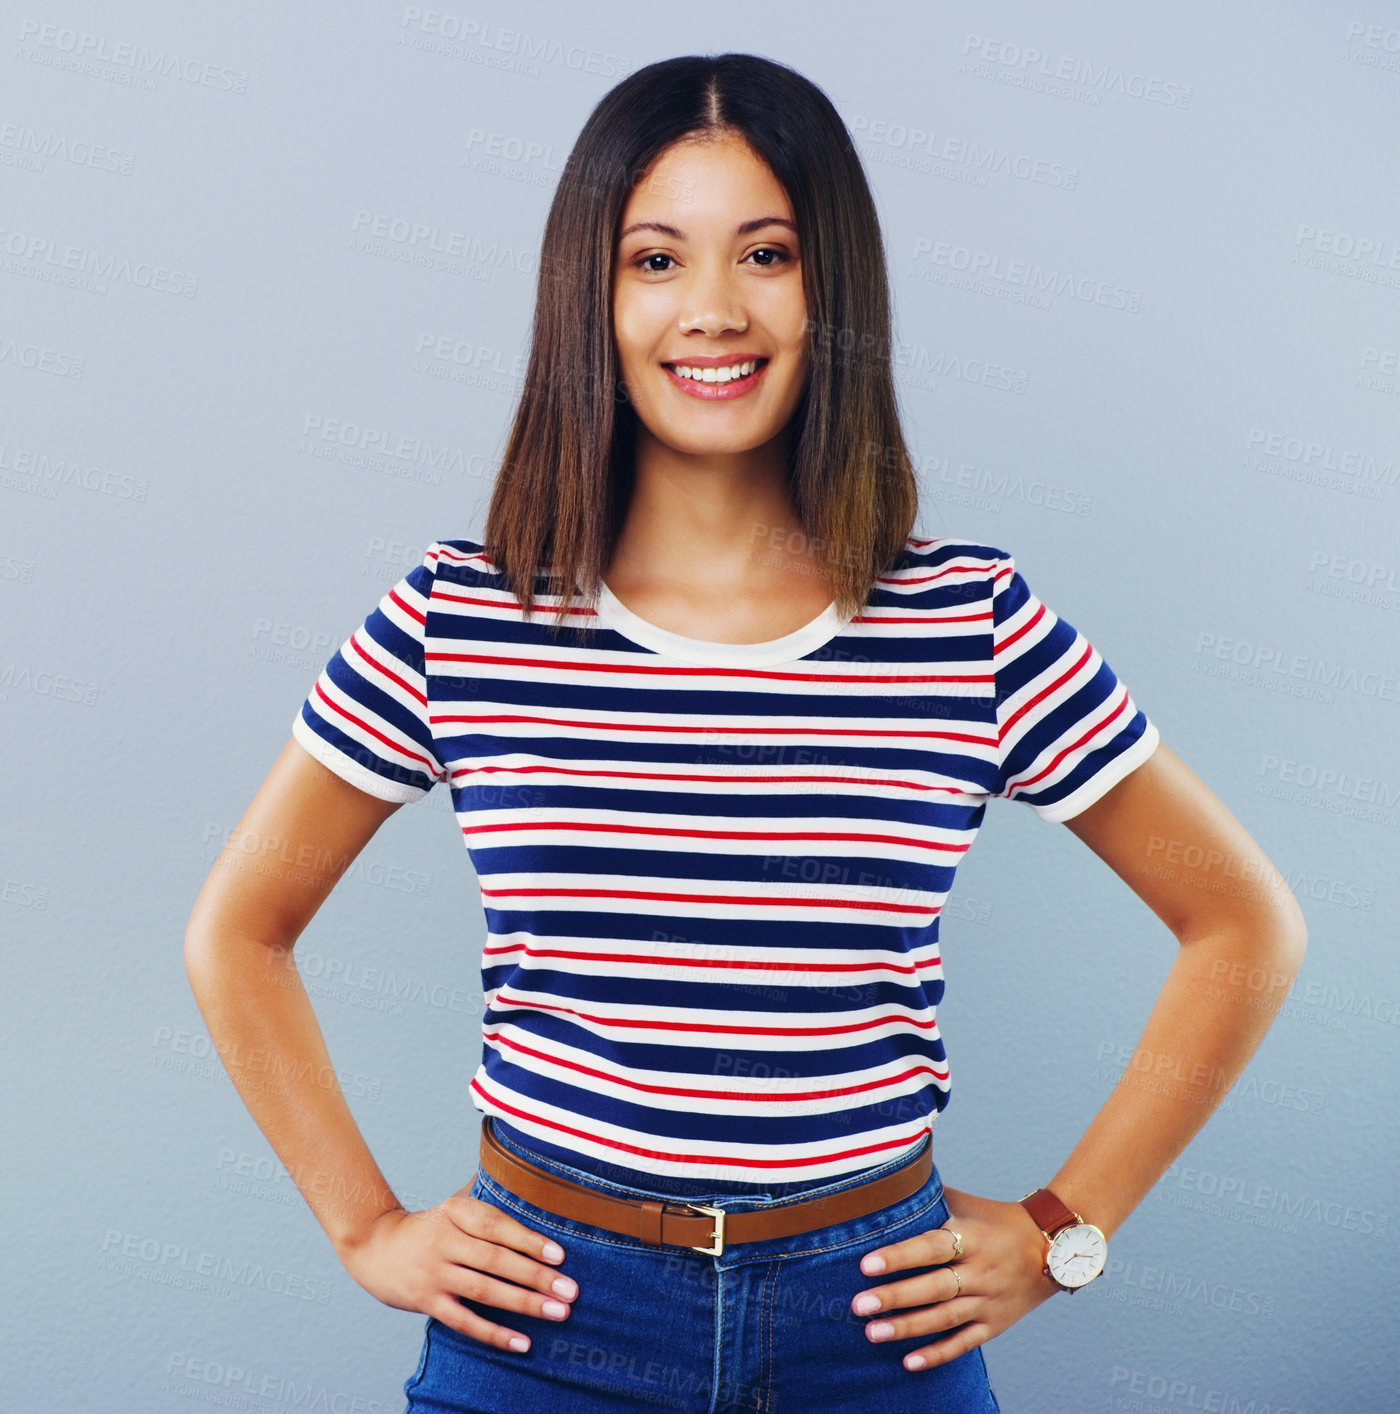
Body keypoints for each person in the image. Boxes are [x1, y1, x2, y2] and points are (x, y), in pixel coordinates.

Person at [185, 52, 1307, 1414]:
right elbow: (237, 931)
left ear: (828, 286)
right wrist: (365, 1228)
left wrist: (1067, 1229)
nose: (710, 310)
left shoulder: (973, 620)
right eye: (654, 260)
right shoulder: (460, 612)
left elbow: (1243, 924)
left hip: (871, 1325)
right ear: (587, 299)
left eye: (763, 253)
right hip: (547, 1323)